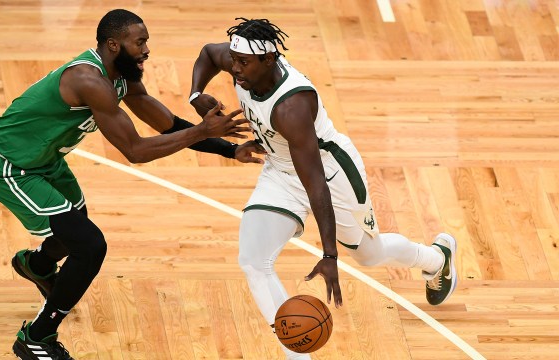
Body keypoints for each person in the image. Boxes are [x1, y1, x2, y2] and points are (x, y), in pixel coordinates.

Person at [0, 9, 255, 360]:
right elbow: (135, 150)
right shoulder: (89, 81)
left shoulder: (123, 76)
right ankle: (36, 337)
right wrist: (200, 131)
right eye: (140, 42)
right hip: (9, 165)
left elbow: (165, 123)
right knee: (89, 245)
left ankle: (38, 266)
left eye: (146, 41)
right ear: (113, 44)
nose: (146, 49)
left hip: (44, 160)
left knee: (77, 220)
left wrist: (230, 149)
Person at [189, 18, 458, 359]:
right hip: (281, 171)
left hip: (331, 175)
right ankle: (296, 355)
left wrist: (330, 255)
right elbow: (208, 55)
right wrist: (196, 94)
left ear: (269, 60)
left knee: (369, 255)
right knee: (254, 262)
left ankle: (436, 259)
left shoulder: (291, 107)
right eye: (234, 59)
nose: (235, 68)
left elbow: (316, 185)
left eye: (242, 63)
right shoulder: (241, 60)